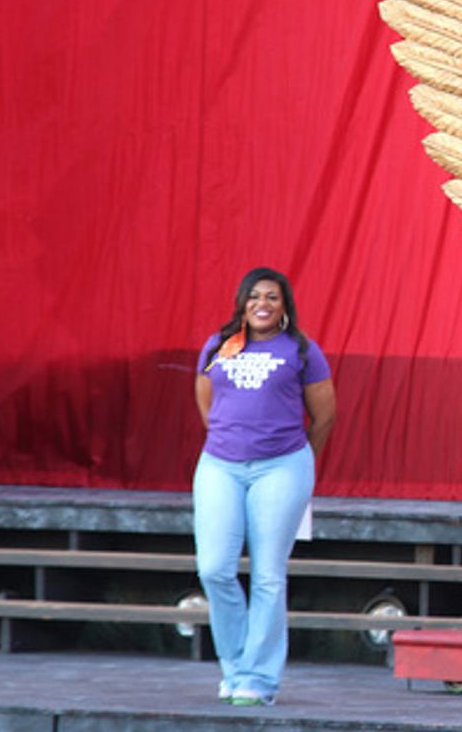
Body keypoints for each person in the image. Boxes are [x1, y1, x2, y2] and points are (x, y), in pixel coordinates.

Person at [192, 267, 336, 707]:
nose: (263, 304)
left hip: (282, 467)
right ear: (242, 302)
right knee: (214, 568)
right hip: (220, 465)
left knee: (268, 575)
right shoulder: (218, 346)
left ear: (284, 305)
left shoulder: (302, 351)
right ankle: (234, 667)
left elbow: (325, 416)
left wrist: (296, 458)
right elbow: (206, 401)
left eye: (272, 297)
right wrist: (231, 438)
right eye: (255, 296)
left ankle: (258, 680)